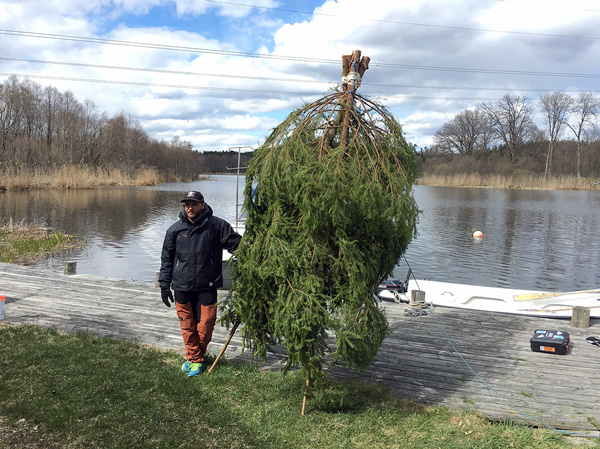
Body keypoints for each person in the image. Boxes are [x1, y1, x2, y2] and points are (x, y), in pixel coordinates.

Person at [159, 190, 242, 376]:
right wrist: (164, 285)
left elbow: (236, 245)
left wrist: (257, 248)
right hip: (181, 286)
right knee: (187, 325)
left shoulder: (217, 226)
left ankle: (194, 357)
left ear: (202, 205)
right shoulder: (174, 230)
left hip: (208, 285)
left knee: (206, 323)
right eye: (187, 204)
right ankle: (196, 359)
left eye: (194, 204)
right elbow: (167, 260)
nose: (190, 207)